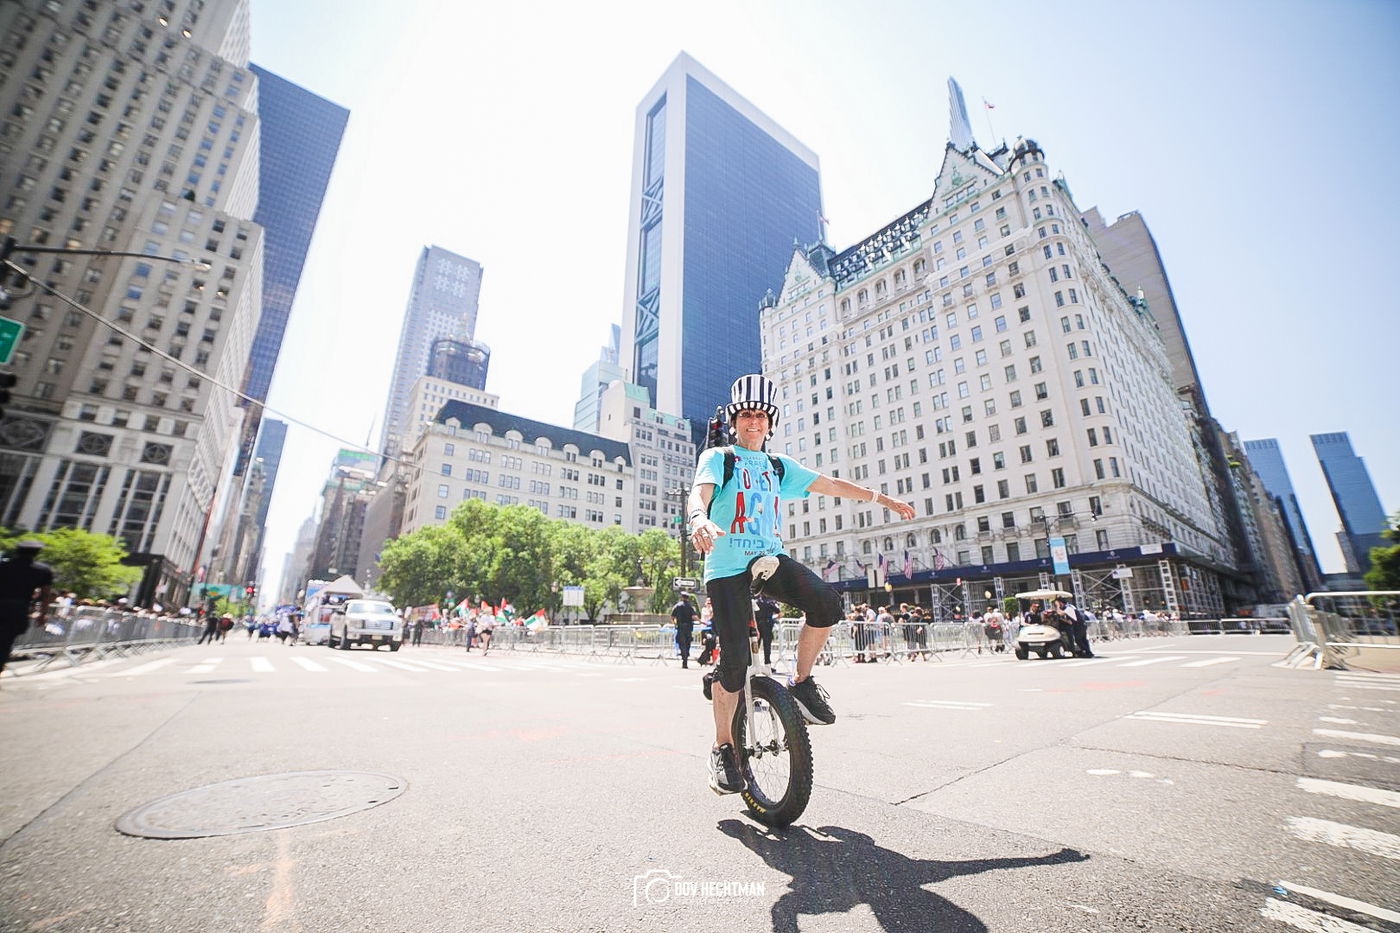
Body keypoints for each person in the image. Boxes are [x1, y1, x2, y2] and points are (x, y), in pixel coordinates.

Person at [688, 374, 916, 795]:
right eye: (745, 415)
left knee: (826, 603)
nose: (752, 422)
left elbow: (831, 485)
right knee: (735, 662)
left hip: (769, 558)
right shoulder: (720, 457)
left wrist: (883, 500)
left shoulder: (779, 467)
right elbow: (699, 495)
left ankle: (802, 681)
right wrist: (699, 519)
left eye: (760, 416)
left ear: (770, 423)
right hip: (725, 566)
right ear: (735, 421)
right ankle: (723, 748)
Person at [0, 540, 55, 678]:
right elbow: (46, 594)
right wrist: (43, 614)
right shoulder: (42, 570)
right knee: (5, 642)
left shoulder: (4, 566)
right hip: (17, 609)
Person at [754, 593, 780, 668]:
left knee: (755, 646)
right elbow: (780, 613)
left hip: (758, 625)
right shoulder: (771, 603)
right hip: (767, 625)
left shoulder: (756, 602)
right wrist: (773, 619)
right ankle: (767, 664)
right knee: (767, 646)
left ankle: (755, 664)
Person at [671, 594, 696, 668]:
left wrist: (675, 624)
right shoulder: (690, 607)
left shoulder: (677, 606)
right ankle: (686, 656)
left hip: (680, 627)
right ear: (688, 598)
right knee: (688, 643)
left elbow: (672, 616)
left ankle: (684, 658)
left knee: (682, 643)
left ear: (682, 598)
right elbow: (694, 616)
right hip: (689, 627)